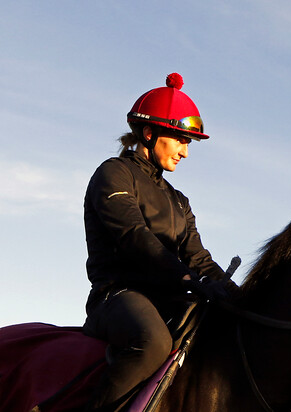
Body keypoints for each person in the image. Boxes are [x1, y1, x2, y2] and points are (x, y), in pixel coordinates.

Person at [82, 73, 237, 411]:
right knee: (153, 342)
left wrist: (238, 295)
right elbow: (134, 237)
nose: (185, 151)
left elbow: (200, 260)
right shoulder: (114, 173)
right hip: (117, 297)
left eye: (188, 143)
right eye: (179, 139)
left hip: (169, 300)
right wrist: (185, 278)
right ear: (149, 133)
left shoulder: (179, 200)